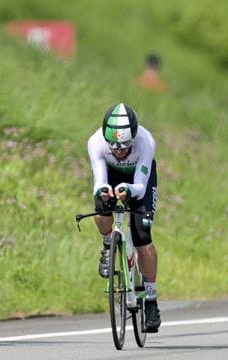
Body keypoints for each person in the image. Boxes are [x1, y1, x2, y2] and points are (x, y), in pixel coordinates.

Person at [86, 102, 161, 332]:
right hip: (111, 175)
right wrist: (103, 191)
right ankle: (108, 244)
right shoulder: (95, 142)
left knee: (142, 235)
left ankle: (150, 301)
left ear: (135, 137)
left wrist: (129, 191)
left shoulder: (146, 142)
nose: (119, 150)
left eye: (125, 145)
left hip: (139, 182)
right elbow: (99, 179)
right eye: (114, 146)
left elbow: (140, 183)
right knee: (101, 204)